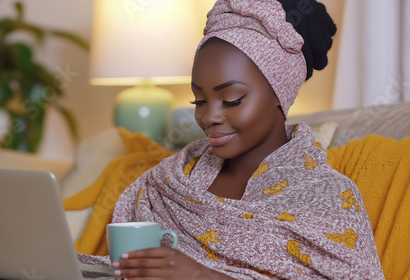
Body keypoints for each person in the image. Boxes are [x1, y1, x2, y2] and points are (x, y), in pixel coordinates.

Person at [79, 0, 385, 278]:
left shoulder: (329, 197)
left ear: (280, 96)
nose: (208, 116)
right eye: (199, 101)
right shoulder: (169, 181)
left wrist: (202, 275)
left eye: (232, 99)